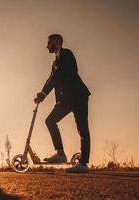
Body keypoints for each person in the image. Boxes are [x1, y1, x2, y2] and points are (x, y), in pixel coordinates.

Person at [35, 34, 91, 173]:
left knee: (82, 128)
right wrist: (44, 94)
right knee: (50, 121)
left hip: (78, 96)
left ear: (57, 42)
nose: (47, 45)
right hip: (65, 100)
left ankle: (83, 164)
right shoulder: (54, 63)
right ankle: (60, 154)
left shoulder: (67, 54)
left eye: (49, 42)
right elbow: (52, 81)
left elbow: (59, 75)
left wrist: (44, 93)